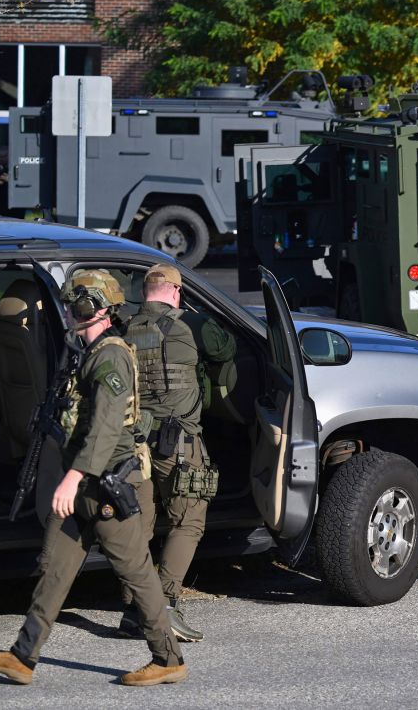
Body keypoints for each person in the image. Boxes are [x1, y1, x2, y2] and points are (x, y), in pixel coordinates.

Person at [0, 270, 186, 686]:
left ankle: (168, 659)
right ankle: (23, 656)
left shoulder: (110, 356)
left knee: (136, 574)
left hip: (104, 485)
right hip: (82, 484)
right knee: (54, 568)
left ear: (100, 308)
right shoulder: (84, 353)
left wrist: (70, 478)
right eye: (68, 304)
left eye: (77, 304)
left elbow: (106, 429)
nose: (69, 312)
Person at [118, 264, 236, 642]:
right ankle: (165, 605)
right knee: (188, 520)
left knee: (141, 525)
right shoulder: (194, 325)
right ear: (174, 291)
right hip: (179, 439)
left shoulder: (123, 328)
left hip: (135, 442)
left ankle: (134, 610)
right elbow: (227, 348)